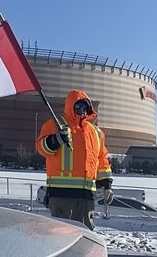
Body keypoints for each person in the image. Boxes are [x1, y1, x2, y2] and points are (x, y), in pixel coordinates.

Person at [36, 89, 114, 230]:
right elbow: (41, 148)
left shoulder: (96, 132)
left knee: (85, 236)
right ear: (70, 107)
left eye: (85, 106)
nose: (82, 110)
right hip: (62, 196)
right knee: (61, 236)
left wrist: (107, 186)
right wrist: (55, 140)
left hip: (87, 197)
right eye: (78, 106)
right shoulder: (55, 125)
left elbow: (102, 160)